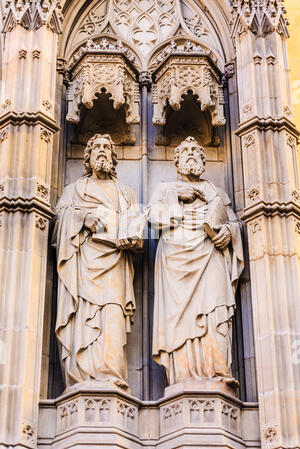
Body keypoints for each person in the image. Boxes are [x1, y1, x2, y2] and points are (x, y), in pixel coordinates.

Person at [149, 137, 244, 387]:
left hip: (210, 256)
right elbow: (151, 219)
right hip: (175, 261)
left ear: (203, 160)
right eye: (185, 152)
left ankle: (217, 374)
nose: (191, 154)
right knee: (180, 320)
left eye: (196, 152)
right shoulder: (164, 188)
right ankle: (183, 378)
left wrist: (229, 232)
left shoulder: (216, 192)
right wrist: (174, 196)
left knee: (215, 313)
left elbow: (232, 222)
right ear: (177, 161)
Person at [53, 134, 143, 391]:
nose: (102, 152)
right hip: (82, 267)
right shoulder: (73, 191)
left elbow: (139, 235)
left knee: (112, 317)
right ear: (88, 156)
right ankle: (82, 377)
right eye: (97, 148)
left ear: (114, 158)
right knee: (82, 318)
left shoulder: (126, 193)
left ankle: (110, 376)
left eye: (107, 147)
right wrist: (82, 219)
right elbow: (58, 224)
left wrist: (132, 238)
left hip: (114, 265)